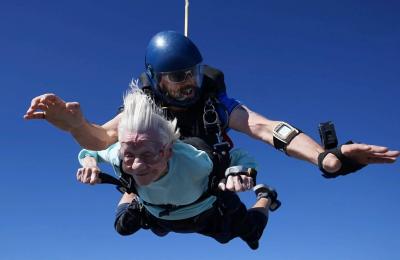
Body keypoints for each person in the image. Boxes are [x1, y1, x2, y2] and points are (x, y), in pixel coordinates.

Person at [24, 30, 399, 181]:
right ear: (156, 79)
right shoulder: (145, 104)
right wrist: (75, 125)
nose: (190, 84)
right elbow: (103, 137)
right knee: (131, 173)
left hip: (211, 188)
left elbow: (266, 128)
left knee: (227, 214)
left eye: (195, 73)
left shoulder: (212, 102)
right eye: (178, 77)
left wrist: (326, 159)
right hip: (157, 184)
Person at [76, 87, 279, 250]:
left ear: (167, 152)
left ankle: (266, 196)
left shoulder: (196, 161)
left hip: (205, 212)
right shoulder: (119, 153)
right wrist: (90, 164)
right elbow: (90, 150)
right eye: (129, 154)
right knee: (122, 226)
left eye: (148, 155)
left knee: (252, 234)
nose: (137, 164)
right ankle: (134, 192)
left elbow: (238, 156)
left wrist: (241, 171)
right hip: (158, 214)